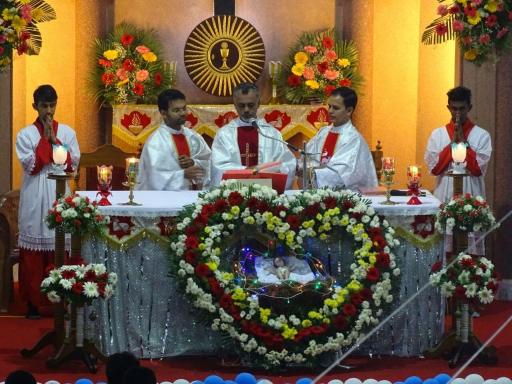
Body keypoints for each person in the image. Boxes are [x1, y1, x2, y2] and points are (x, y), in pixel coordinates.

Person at [15, 84, 80, 319]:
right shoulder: (25, 134)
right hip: (35, 194)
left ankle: (62, 301)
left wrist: (56, 140)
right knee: (34, 249)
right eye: (44, 106)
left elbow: (72, 164)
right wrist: (46, 138)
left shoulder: (68, 132)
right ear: (36, 106)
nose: (49, 111)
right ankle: (33, 303)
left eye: (52, 105)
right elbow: (32, 166)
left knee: (61, 244)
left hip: (59, 191)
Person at [210, 82, 296, 188]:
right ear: (235, 105)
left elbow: (287, 163)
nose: (246, 110)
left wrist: (279, 169)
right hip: (234, 194)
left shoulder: (271, 134)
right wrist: (247, 171)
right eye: (241, 105)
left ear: (258, 103)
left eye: (250, 105)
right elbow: (218, 166)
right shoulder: (225, 134)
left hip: (266, 191)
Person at [424, 86, 492, 202]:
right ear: (448, 108)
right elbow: (435, 169)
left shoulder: (482, 135)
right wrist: (452, 144)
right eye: (454, 108)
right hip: (444, 192)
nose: (457, 113)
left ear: (469, 108)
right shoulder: (437, 134)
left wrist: (463, 142)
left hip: (471, 192)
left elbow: (477, 170)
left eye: (462, 109)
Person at [303, 87, 377, 190]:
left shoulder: (353, 139)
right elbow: (308, 157)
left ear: (349, 111)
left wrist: (312, 172)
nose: (330, 111)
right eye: (329, 106)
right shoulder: (323, 133)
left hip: (346, 198)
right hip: (319, 195)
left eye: (336, 108)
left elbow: (343, 173)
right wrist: (300, 166)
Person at [137, 89, 211, 190]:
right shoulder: (155, 142)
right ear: (163, 113)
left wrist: (194, 162)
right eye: (176, 110)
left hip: (196, 199)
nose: (182, 113)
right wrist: (183, 175)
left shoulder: (193, 137)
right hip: (166, 202)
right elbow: (154, 178)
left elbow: (210, 163)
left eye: (184, 108)